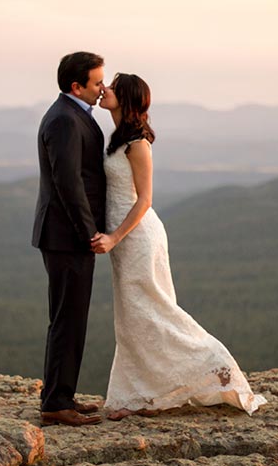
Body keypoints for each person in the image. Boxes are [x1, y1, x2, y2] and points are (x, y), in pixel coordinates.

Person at [90, 73, 268, 421]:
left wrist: (113, 237)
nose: (105, 89)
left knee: (154, 311)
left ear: (126, 99)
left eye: (112, 85)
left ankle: (217, 365)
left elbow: (144, 201)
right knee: (131, 317)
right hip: (125, 242)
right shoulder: (117, 137)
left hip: (137, 237)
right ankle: (139, 394)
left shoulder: (138, 143)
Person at [31, 52, 107, 426]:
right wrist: (88, 231)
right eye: (96, 83)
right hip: (67, 235)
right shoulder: (63, 119)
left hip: (67, 235)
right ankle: (56, 403)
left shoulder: (73, 114)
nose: (102, 88)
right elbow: (68, 182)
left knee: (72, 317)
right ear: (76, 85)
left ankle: (62, 396)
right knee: (67, 318)